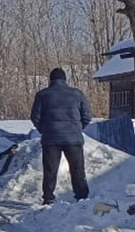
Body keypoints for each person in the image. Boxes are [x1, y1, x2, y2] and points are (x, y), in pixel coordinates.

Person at [30, 67, 93, 205]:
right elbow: (87, 116)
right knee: (77, 169)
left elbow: (35, 117)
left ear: (50, 80)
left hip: (51, 138)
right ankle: (82, 197)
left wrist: (45, 129)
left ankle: (48, 197)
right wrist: (77, 128)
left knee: (50, 170)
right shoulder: (77, 94)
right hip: (73, 139)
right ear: (65, 79)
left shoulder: (42, 95)